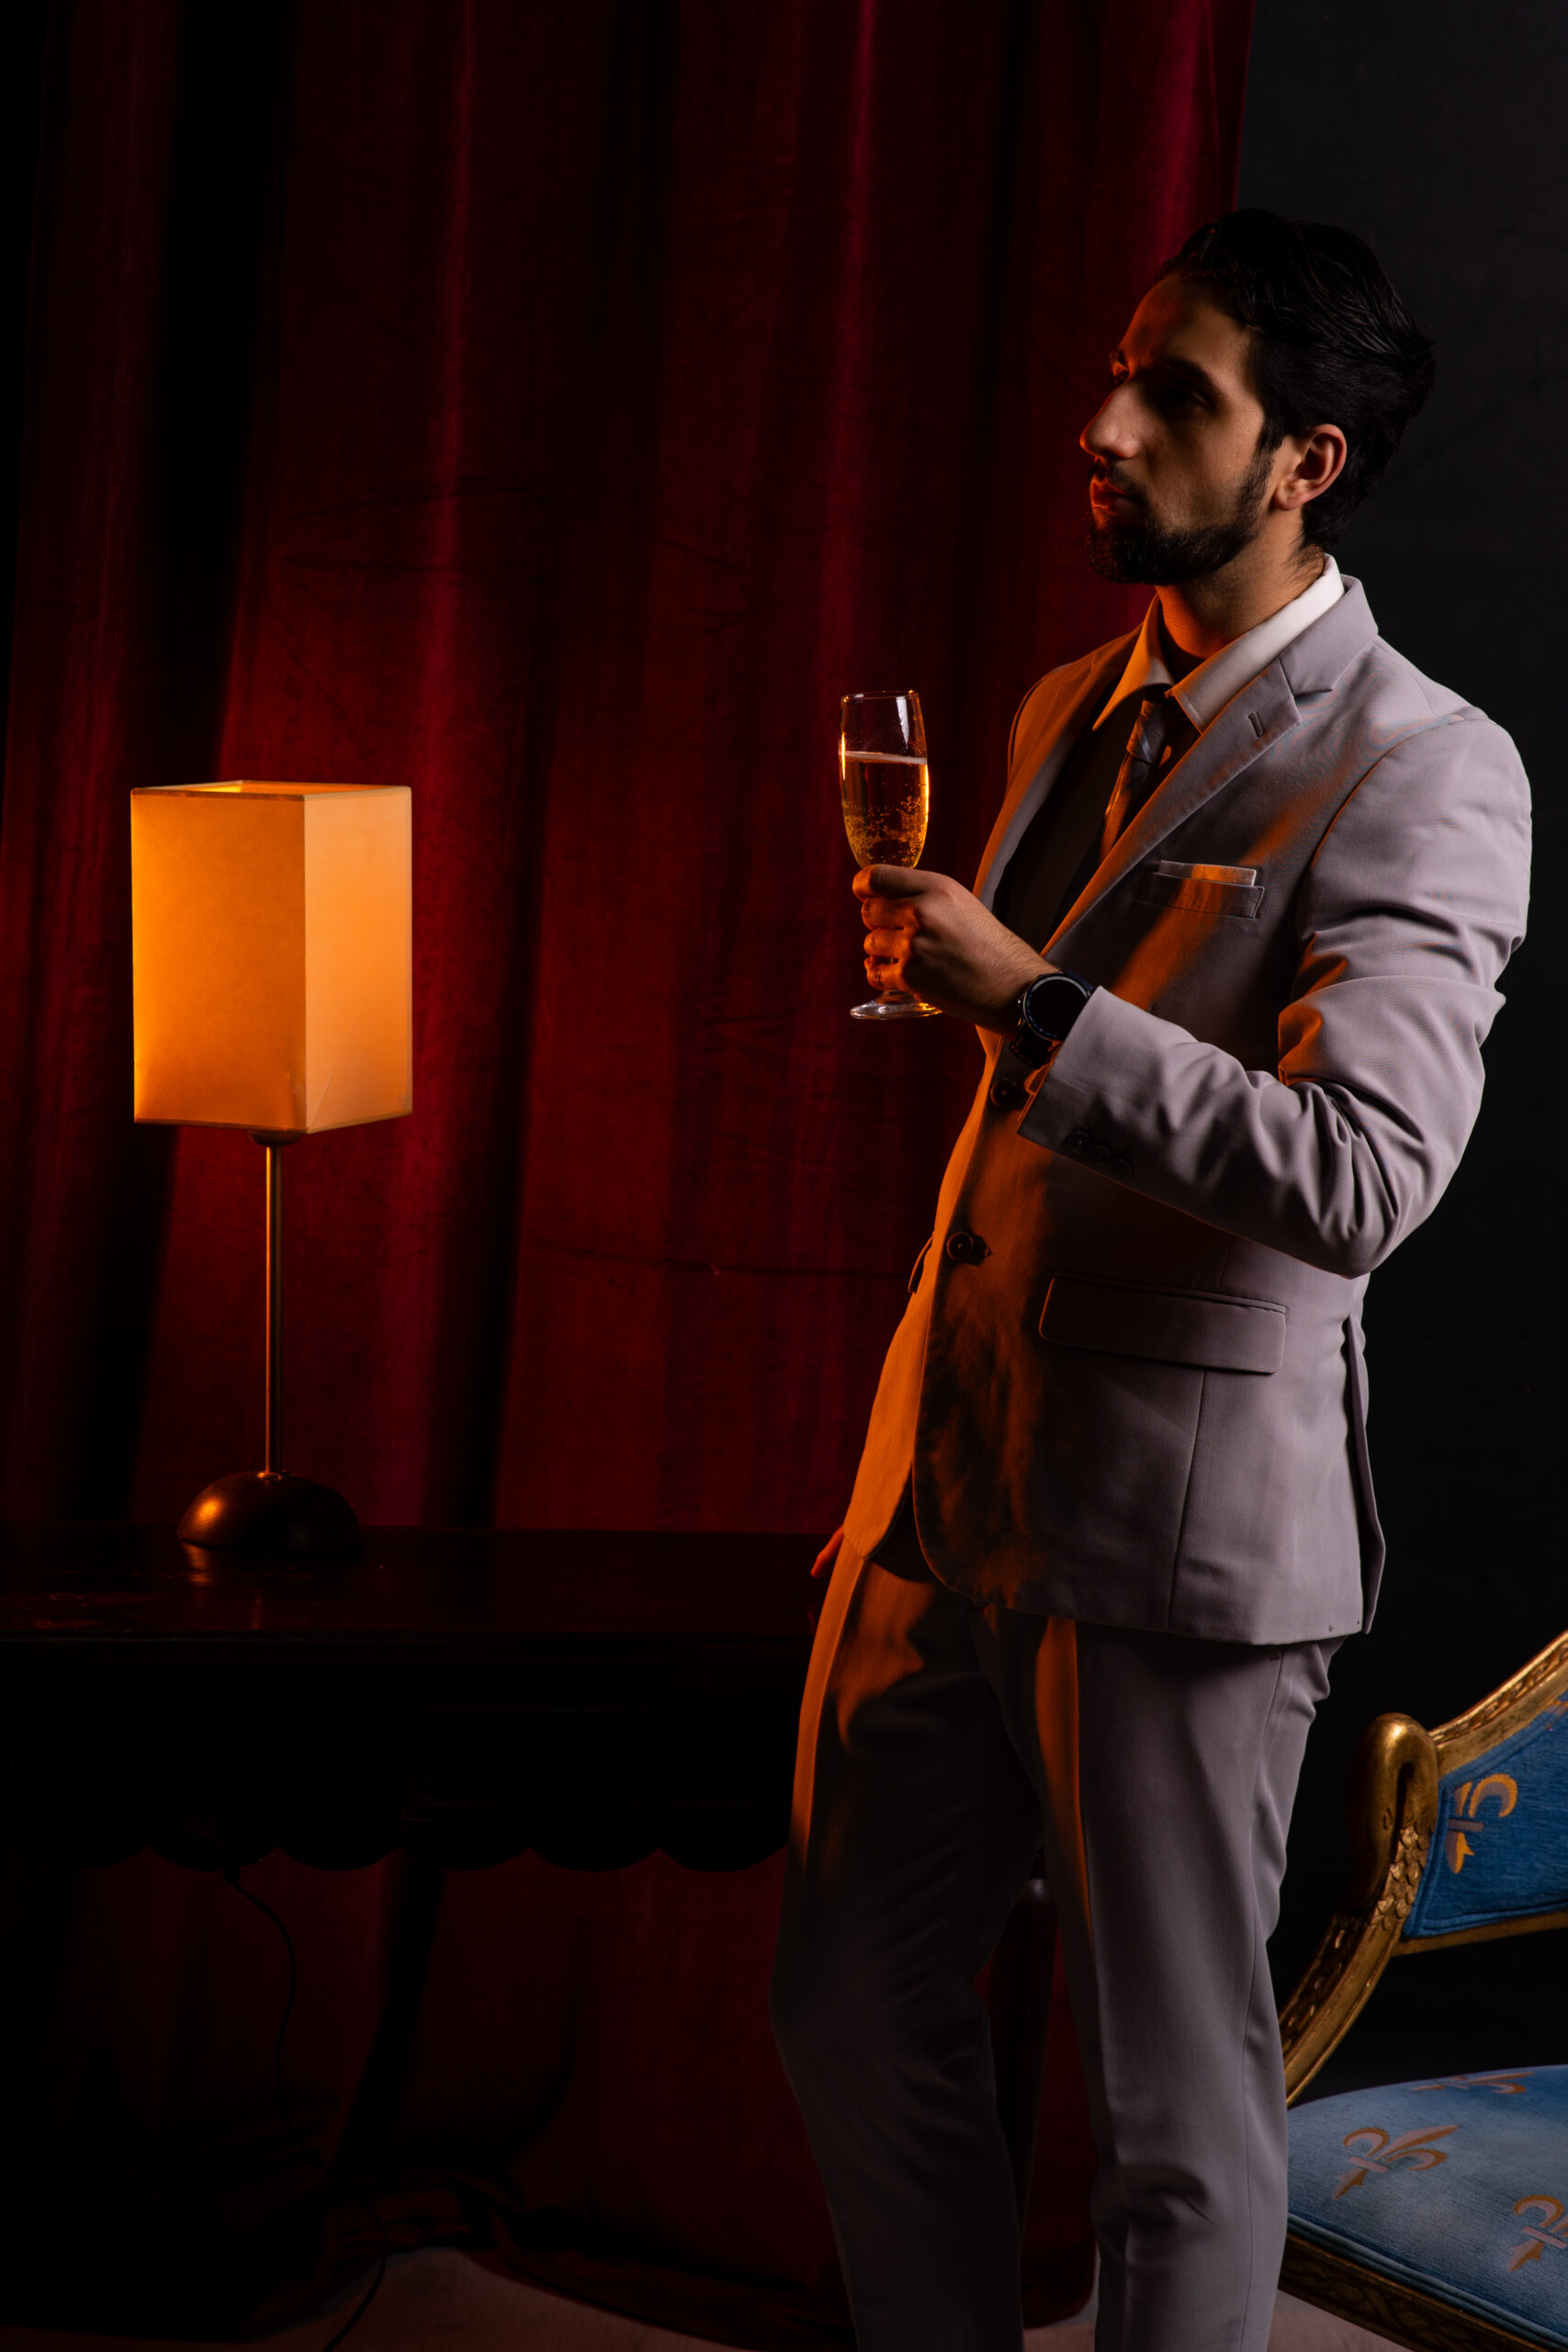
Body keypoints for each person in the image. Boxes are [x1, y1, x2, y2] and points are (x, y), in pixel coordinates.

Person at [769, 210, 1531, 2352]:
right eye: (1117, 374)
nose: (1101, 426)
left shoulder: (1421, 760)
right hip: (937, 1501)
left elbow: (1359, 1173)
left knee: (1175, 2123)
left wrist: (1031, 1002)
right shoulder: (1058, 703)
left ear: (1299, 458)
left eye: (1170, 395)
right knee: (844, 2002)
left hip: (1180, 1541)